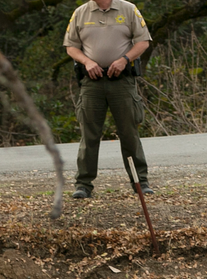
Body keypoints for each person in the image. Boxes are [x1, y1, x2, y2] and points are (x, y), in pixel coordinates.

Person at [63, 0, 153, 199]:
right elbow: (71, 47)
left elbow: (143, 42)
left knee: (129, 132)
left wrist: (124, 60)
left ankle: (140, 182)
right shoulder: (80, 13)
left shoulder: (128, 9)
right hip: (92, 82)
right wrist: (87, 62)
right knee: (89, 134)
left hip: (121, 81)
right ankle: (84, 185)